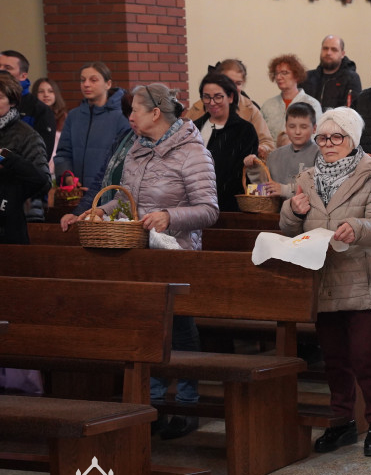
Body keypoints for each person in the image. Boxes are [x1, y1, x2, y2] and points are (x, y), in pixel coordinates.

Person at [67, 83, 218, 439]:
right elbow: (126, 202)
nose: (130, 116)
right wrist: (97, 212)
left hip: (174, 255)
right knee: (144, 328)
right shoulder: (137, 148)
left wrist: (169, 215)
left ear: (155, 114)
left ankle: (185, 404)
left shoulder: (192, 152)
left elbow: (210, 210)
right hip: (137, 255)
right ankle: (150, 406)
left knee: (179, 330)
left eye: (135, 110)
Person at [280, 107, 371, 456]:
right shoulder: (307, 178)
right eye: (323, 138)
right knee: (334, 358)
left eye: (336, 137)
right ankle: (342, 421)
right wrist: (293, 211)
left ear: (352, 140)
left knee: (365, 356)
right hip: (324, 278)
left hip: (360, 278)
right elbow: (288, 230)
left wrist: (357, 228)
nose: (328, 144)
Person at [54, 62, 132, 217]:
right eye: (83, 80)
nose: (86, 84)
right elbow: (63, 152)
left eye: (93, 80)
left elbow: (121, 159)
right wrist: (68, 177)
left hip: (107, 196)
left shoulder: (122, 116)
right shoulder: (74, 116)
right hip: (75, 196)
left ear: (108, 84)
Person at [192, 72, 260, 212]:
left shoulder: (244, 130)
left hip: (230, 209)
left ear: (230, 97)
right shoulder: (193, 128)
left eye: (218, 97)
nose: (212, 103)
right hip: (195, 205)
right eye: (207, 97)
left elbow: (242, 174)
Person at [186, 59, 274, 159]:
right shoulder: (198, 108)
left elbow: (267, 142)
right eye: (229, 81)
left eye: (238, 83)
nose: (234, 87)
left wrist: (260, 148)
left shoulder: (251, 110)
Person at [0, 72, 50, 243]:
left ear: (12, 101)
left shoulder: (27, 136)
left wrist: (5, 157)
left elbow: (43, 181)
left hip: (10, 222)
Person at [244, 102, 318, 199]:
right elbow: (264, 189)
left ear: (314, 128)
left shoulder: (320, 154)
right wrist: (254, 168)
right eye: (292, 126)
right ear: (286, 128)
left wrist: (284, 190)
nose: (297, 132)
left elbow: (319, 189)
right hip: (275, 212)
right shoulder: (274, 156)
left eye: (303, 127)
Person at [0, 50, 56, 159]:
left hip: (19, 172)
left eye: (7, 68)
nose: (1, 70)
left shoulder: (38, 109)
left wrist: (4, 157)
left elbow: (42, 155)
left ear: (23, 76)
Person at [262, 54, 323, 147]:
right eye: (276, 73)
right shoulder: (268, 105)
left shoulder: (312, 104)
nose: (279, 77)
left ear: (296, 75)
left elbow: (317, 136)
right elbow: (262, 137)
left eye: (284, 73)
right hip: (272, 158)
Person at [304, 35, 362, 110]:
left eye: (334, 49)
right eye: (325, 48)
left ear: (342, 54)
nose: (328, 53)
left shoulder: (351, 78)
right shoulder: (307, 77)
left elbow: (351, 111)